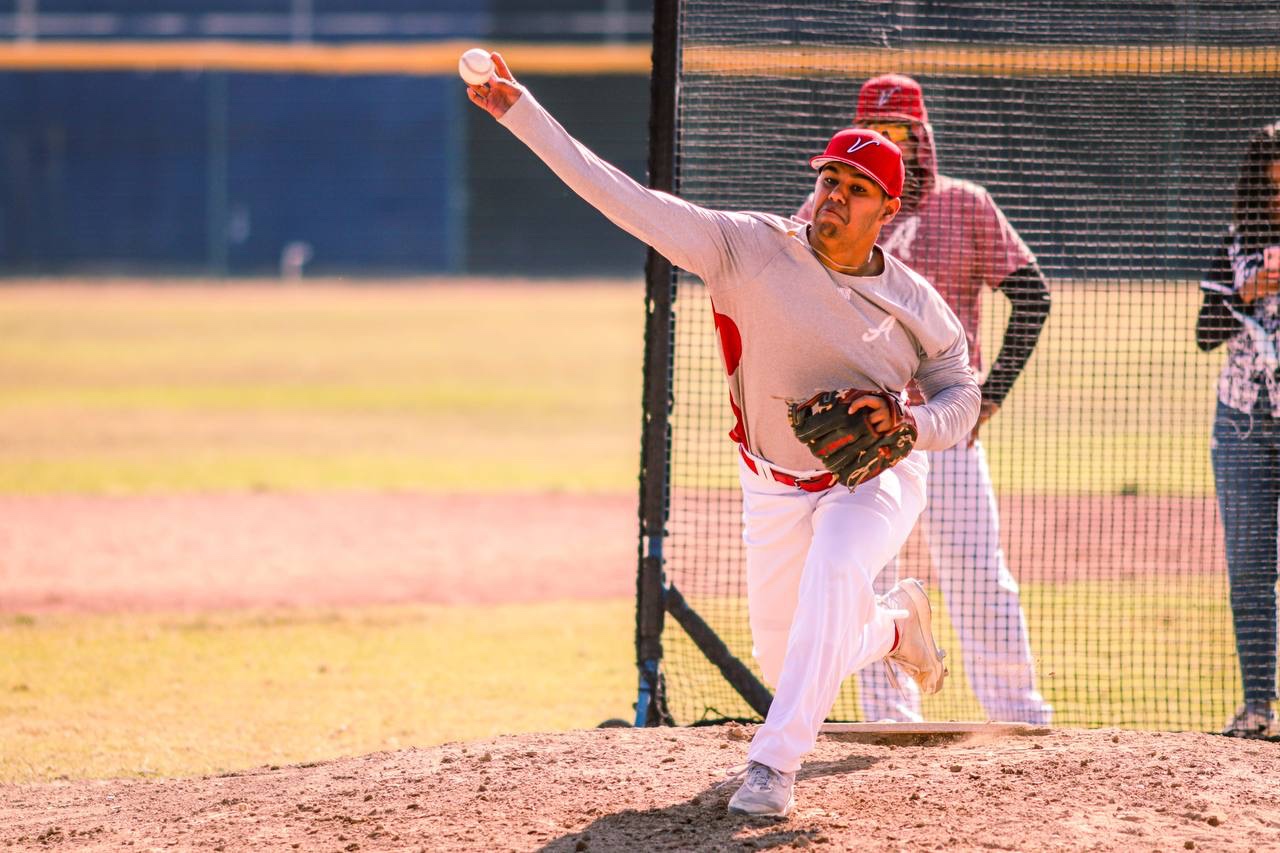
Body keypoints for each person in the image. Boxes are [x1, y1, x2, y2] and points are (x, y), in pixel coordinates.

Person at [466, 54, 978, 816]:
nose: (832, 195)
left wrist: (912, 427)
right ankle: (898, 625)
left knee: (837, 570)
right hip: (771, 480)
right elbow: (623, 198)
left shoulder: (913, 300)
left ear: (887, 211)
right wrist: (521, 112)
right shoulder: (745, 249)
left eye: (855, 189)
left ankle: (773, 768)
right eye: (828, 179)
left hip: (872, 477)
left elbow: (959, 391)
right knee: (788, 653)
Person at [796, 74, 1053, 725]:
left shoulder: (963, 206)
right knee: (867, 577)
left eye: (901, 133)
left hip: (944, 432)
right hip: (860, 437)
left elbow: (1033, 295)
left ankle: (1018, 713)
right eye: (877, 132)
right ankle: (889, 719)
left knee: (978, 578)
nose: (891, 143)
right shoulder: (823, 209)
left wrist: (988, 395)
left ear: (923, 137)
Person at [1196, 120, 1280, 739]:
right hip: (1243, 426)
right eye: (1270, 186)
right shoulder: (1233, 243)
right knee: (1251, 571)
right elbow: (1203, 333)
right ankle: (1259, 708)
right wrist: (1246, 290)